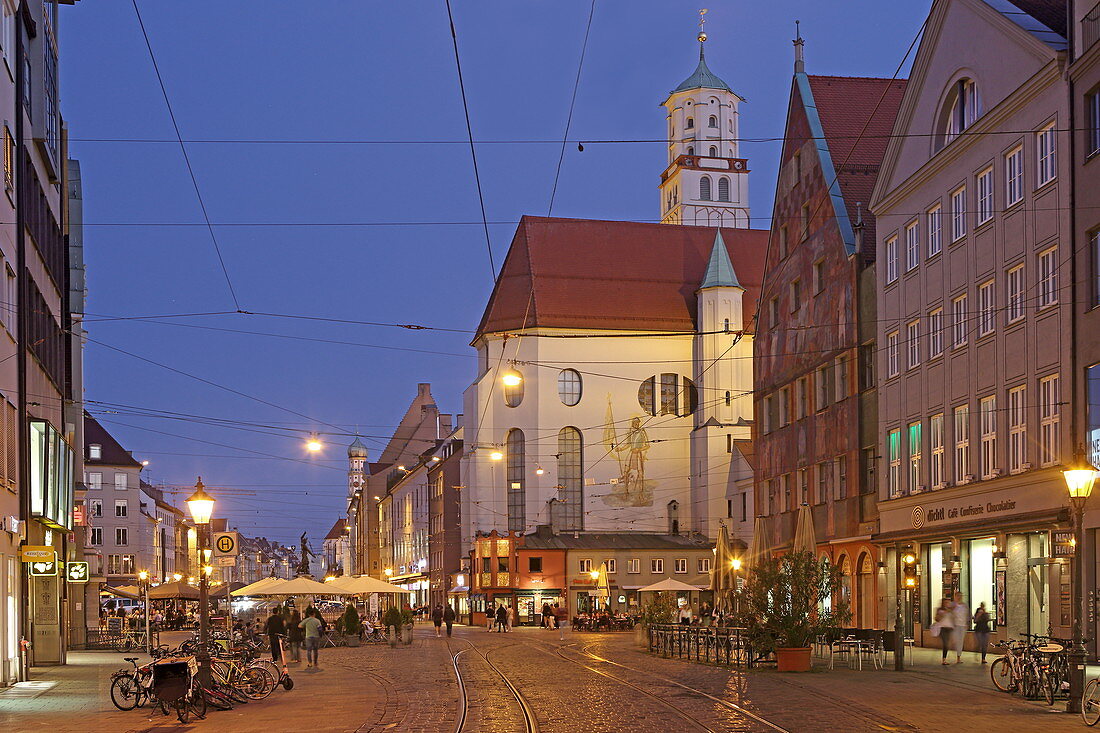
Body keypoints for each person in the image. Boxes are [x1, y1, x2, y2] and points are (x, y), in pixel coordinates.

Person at [933, 598, 955, 665]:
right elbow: (936, 619)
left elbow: (954, 618)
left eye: (948, 602)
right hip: (943, 628)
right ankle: (944, 659)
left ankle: (945, 658)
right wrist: (943, 614)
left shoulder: (951, 610)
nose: (947, 604)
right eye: (946, 602)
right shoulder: (940, 610)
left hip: (950, 628)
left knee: (948, 644)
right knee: (946, 644)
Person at [952, 592, 970, 664]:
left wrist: (967, 623)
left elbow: (968, 615)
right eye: (958, 596)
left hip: (962, 626)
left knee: (960, 642)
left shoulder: (964, 606)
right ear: (955, 597)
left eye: (960, 596)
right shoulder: (953, 605)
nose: (959, 597)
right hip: (955, 625)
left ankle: (958, 657)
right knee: (956, 641)